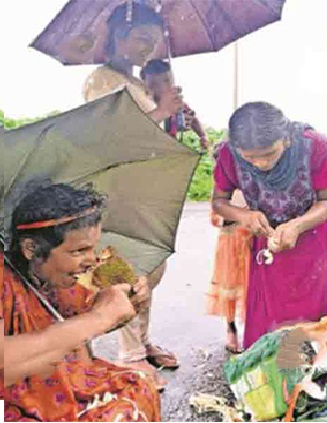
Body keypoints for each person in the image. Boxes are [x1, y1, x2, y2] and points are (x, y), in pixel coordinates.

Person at [82, 2, 182, 387]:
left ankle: (140, 339)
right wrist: (159, 114)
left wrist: (174, 117)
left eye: (153, 42)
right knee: (128, 269)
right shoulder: (101, 80)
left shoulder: (139, 83)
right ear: (119, 37)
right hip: (116, 190)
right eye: (142, 39)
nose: (148, 49)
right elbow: (106, 139)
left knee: (152, 268)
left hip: (146, 190)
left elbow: (150, 139)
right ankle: (129, 355)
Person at [3, 184, 161, 421]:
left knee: (139, 390)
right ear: (31, 249)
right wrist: (99, 318)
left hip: (62, 380)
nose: (92, 260)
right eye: (79, 251)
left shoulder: (56, 279)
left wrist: (125, 305)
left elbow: (77, 325)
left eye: (93, 248)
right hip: (13, 401)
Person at [212, 102, 327, 349]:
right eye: (250, 157)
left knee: (313, 326)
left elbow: (326, 201)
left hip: (313, 243)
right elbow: (219, 202)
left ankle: (314, 374)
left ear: (285, 140)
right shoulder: (228, 154)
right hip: (267, 245)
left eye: (268, 154)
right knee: (269, 321)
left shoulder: (314, 147)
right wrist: (245, 216)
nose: (260, 164)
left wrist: (298, 225)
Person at [207, 143, 252, 354]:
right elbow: (216, 218)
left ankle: (253, 330)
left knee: (252, 289)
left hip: (251, 243)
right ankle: (231, 329)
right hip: (229, 247)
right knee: (230, 290)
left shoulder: (252, 183)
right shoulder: (221, 190)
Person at [140, 59, 210, 151]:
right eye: (165, 81)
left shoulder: (175, 103)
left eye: (170, 80)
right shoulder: (140, 104)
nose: (171, 85)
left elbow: (193, 119)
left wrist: (202, 136)